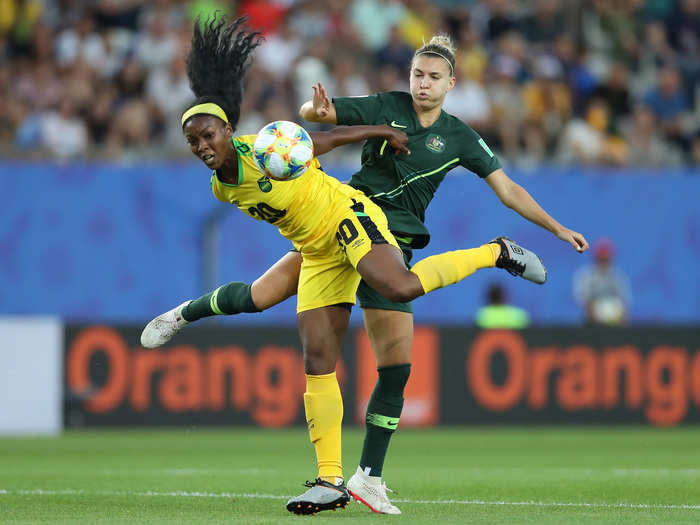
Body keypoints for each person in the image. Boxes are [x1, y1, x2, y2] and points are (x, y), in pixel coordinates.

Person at [142, 26, 587, 515]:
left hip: (351, 220)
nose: (422, 83)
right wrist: (318, 110)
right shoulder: (223, 187)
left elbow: (324, 137)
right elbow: (327, 116)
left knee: (394, 292)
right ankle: (332, 480)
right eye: (417, 73)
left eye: (433, 76)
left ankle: (495, 252)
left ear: (450, 83)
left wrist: (556, 227)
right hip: (317, 249)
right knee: (313, 354)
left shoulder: (272, 147)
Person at [574, 238, 629, 325]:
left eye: (606, 259)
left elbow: (624, 302)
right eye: (601, 259)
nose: (603, 262)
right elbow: (584, 300)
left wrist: (619, 316)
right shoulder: (586, 276)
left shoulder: (617, 277)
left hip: (615, 324)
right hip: (591, 324)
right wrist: (597, 314)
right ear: (596, 258)